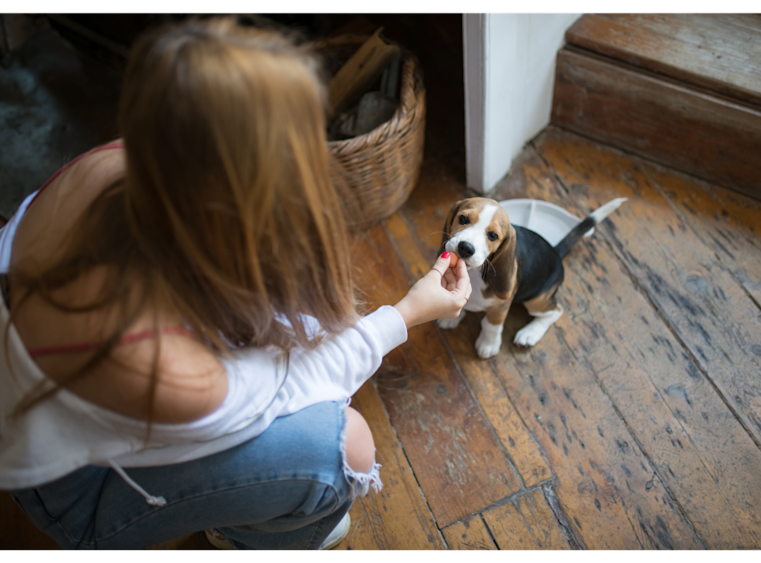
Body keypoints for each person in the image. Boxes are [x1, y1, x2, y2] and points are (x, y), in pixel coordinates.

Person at [0, 16, 471, 551]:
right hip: (79, 491)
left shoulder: (121, 162)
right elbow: (296, 384)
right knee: (345, 446)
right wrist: (406, 313)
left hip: (56, 406)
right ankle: (248, 533)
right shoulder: (169, 373)